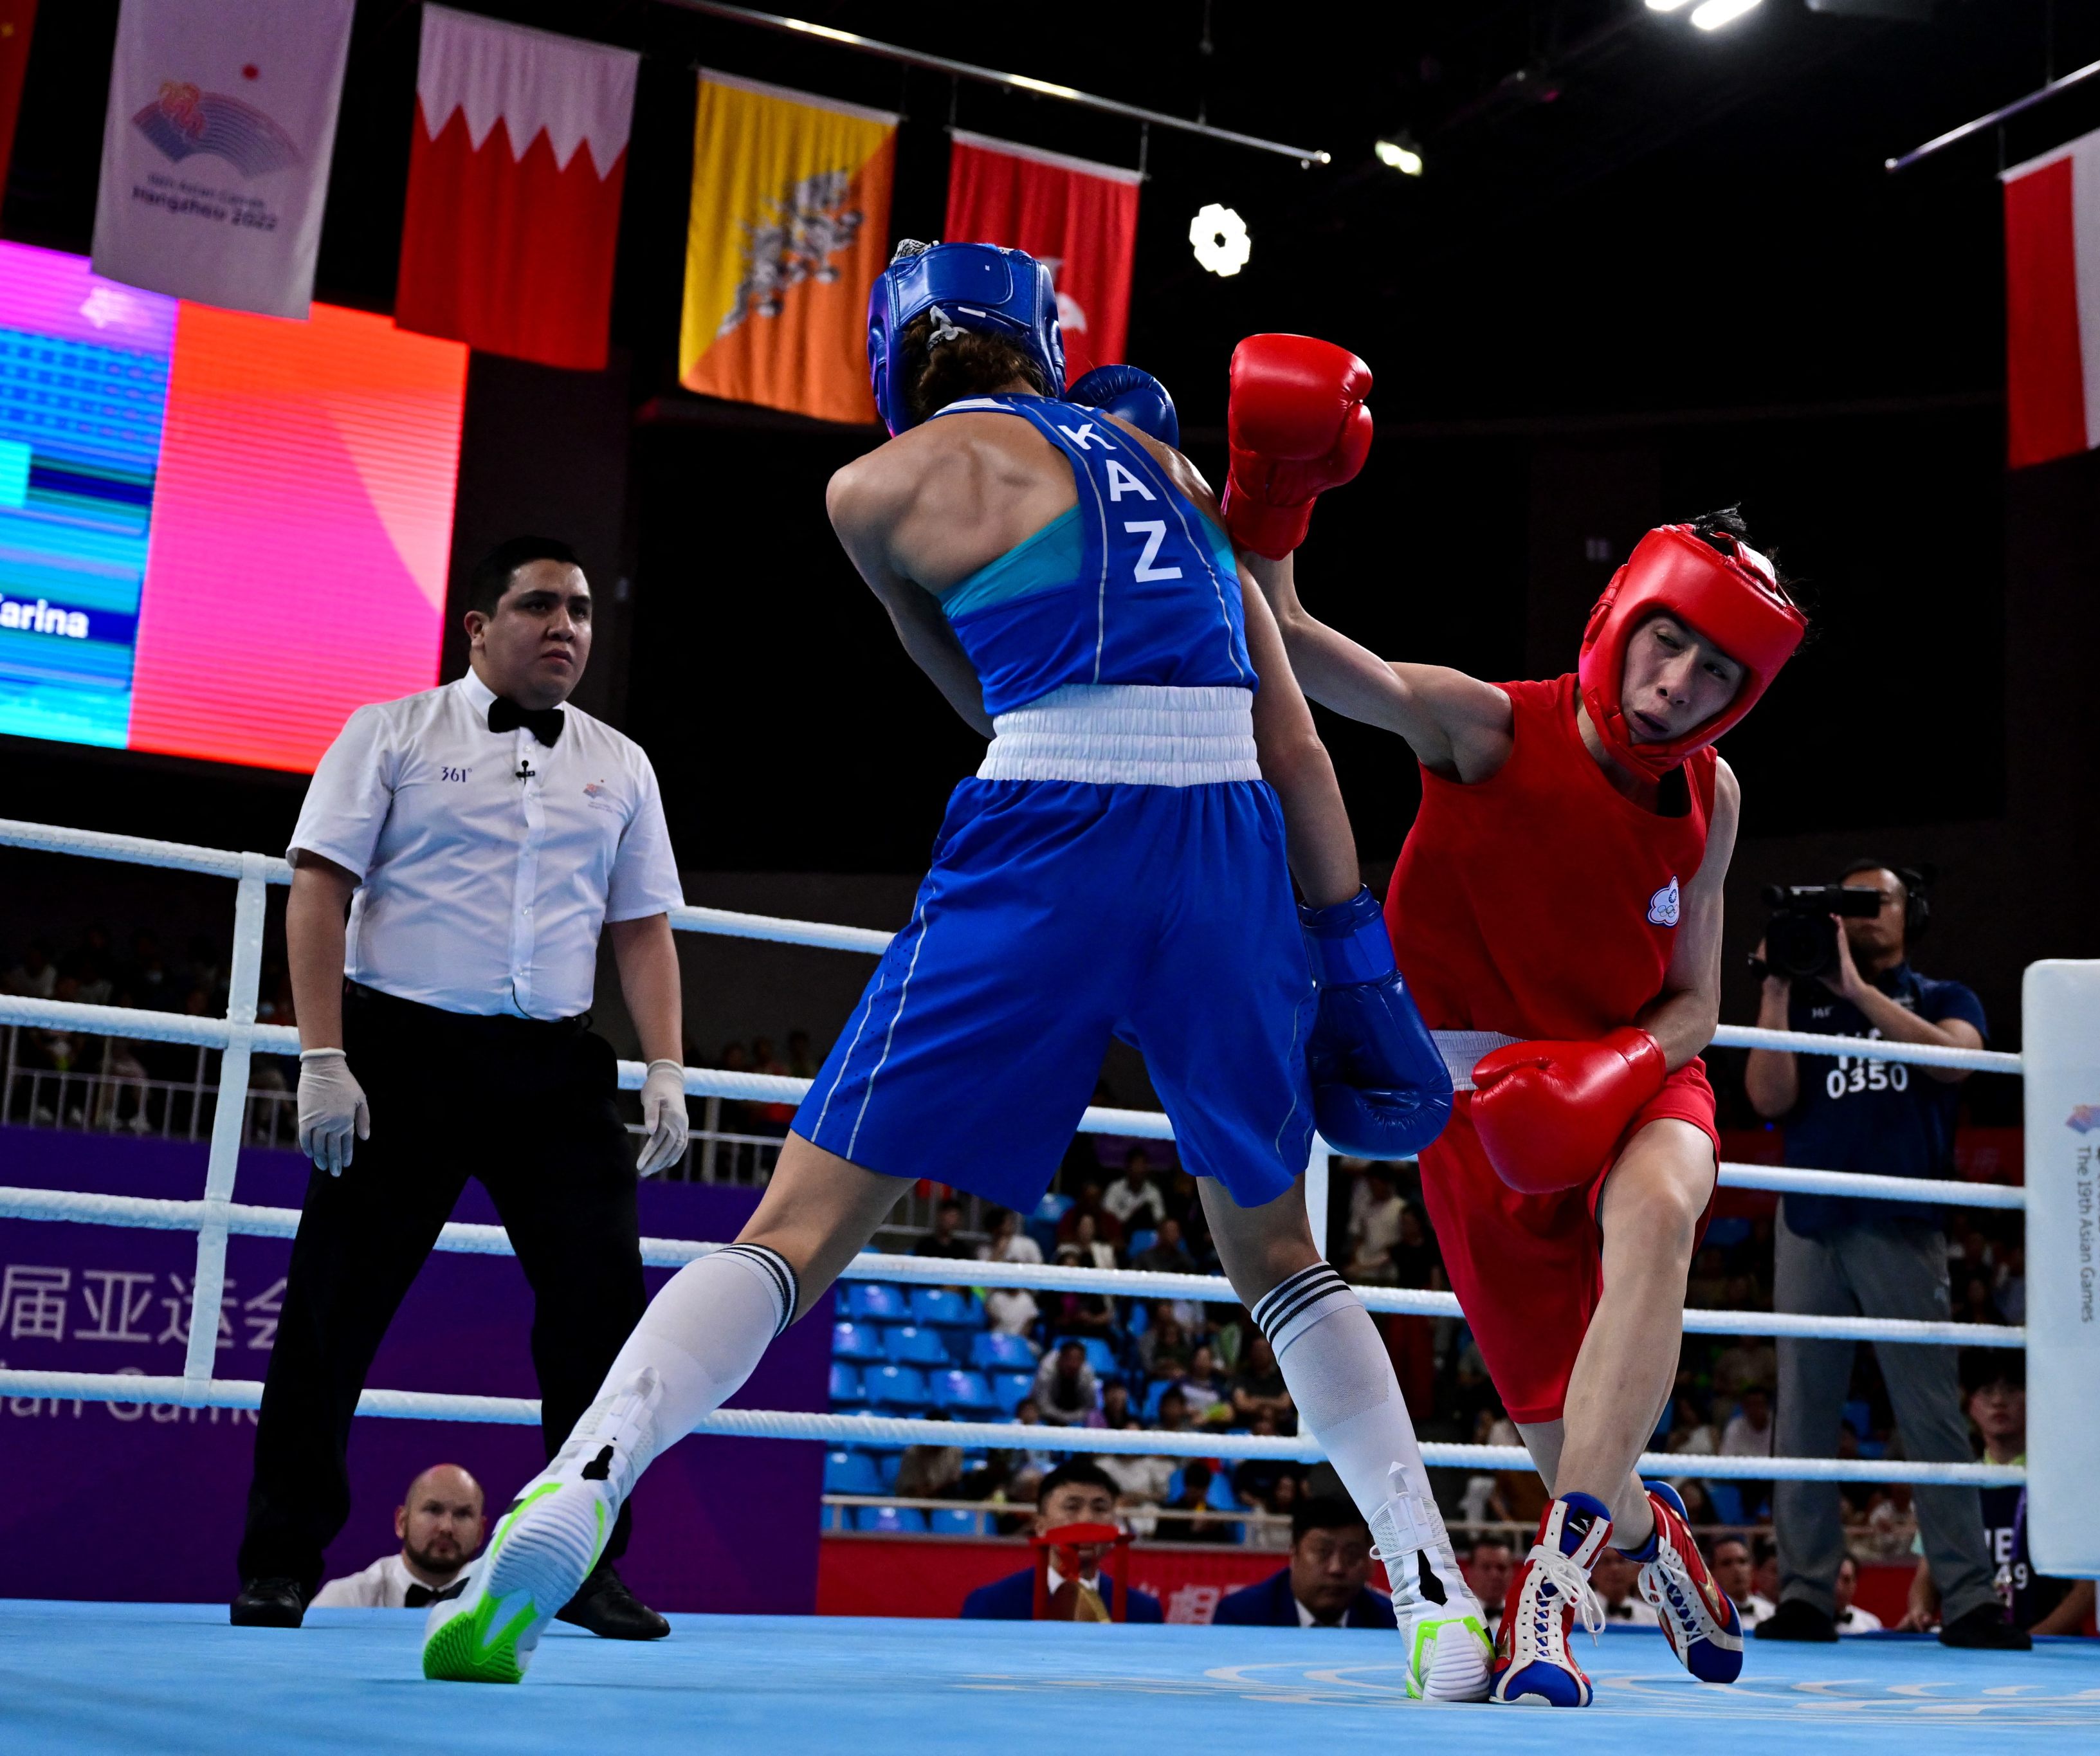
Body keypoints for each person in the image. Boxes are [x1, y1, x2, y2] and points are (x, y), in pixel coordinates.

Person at [426, 253, 1483, 1700]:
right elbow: (1298, 748)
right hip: (1223, 836)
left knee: (798, 1225)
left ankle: (579, 1487)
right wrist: (1348, 958)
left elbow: (984, 705)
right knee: (1278, 1258)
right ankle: (1433, 1597)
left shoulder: (867, 495)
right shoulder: (1171, 465)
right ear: (1043, 345)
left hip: (1044, 816)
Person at [1254, 389, 1802, 1704]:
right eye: (1667, 649)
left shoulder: (1708, 801)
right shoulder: (1486, 728)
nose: (1675, 692)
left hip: (1632, 1076)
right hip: (1471, 1101)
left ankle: (1547, 1597)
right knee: (1569, 1440)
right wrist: (1269, 498)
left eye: (1714, 677)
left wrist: (1617, 1069)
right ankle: (1638, 1526)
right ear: (1620, 622)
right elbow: (1291, 640)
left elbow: (1696, 1006)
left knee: (1663, 1213)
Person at [236, 536, 688, 1641]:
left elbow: (640, 930)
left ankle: (579, 1563)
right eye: (538, 606)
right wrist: (323, 1055)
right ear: (478, 628)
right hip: (402, 1058)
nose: (566, 628)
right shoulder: (385, 732)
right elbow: (317, 890)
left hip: (557, 1068)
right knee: (332, 1316)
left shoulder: (621, 763)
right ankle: (280, 1560)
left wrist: (668, 1065)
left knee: (601, 1331)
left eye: (581, 609)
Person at [1744, 861, 2018, 1651]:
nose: (1861, 914)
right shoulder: (1802, 1004)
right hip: (1811, 1225)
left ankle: (1969, 1597)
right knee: (1801, 1416)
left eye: (1877, 901)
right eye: (1848, 902)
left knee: (1931, 1413)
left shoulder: (1941, 998)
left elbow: (1956, 1061)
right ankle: (1803, 1594)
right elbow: (1766, 1099)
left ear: (1912, 913)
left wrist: (1860, 990)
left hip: (1902, 1223)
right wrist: (1776, 983)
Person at [1905, 1351, 2092, 1637]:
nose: (1998, 1401)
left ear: (2035, 1399)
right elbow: (1927, 1576)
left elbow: (2088, 1589)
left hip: (2053, 1653)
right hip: (1976, 1648)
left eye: (2012, 1389)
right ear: (1970, 1406)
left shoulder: (2064, 1482)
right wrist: (1920, 1611)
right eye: (1987, 1391)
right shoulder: (1956, 1487)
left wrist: (2034, 1640)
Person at [959, 1459, 1162, 1622]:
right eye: (1072, 1507)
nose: (1087, 1520)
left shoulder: (1143, 1612)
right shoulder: (990, 1606)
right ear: (1040, 1526)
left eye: (1100, 1509)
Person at [310, 1466, 486, 1609]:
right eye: (433, 1510)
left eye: (463, 1514)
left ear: (480, 1532)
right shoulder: (346, 1600)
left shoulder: (499, 1605)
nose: (447, 1527)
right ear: (402, 1522)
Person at [1213, 1494, 1399, 1628]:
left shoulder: (1391, 1623)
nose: (1337, 1568)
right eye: (1322, 1552)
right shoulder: (1241, 1618)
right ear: (1294, 1554)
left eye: (1352, 1554)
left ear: (1369, 1561)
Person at [1707, 1535, 1772, 1625]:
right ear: (1712, 1573)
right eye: (1727, 1563)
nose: (1737, 1569)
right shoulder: (1706, 1616)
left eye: (1742, 1561)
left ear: (1752, 1568)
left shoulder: (1769, 1612)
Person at [1461, 1535, 1517, 1637]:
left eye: (1501, 1568)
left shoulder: (1524, 1617)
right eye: (1486, 1567)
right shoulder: (1455, 1617)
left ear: (1512, 1573)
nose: (1495, 1575)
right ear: (1469, 1573)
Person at [1831, 1555, 1883, 1633]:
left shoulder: (1870, 1625)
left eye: (1846, 1580)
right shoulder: (1807, 1623)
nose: (1839, 1587)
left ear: (1854, 1585)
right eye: (1833, 1578)